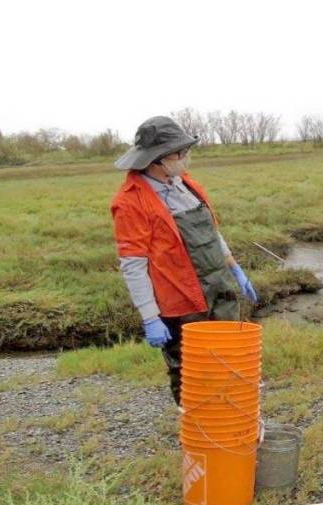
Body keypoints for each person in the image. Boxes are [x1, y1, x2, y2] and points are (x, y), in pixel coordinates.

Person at [111, 116, 259, 404]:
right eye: (181, 153)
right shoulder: (130, 202)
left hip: (219, 287)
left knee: (227, 357)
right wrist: (150, 317)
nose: (186, 157)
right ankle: (196, 429)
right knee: (191, 370)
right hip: (180, 301)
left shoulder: (186, 184)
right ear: (159, 159)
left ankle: (228, 413)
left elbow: (212, 231)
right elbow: (133, 265)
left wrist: (235, 267)